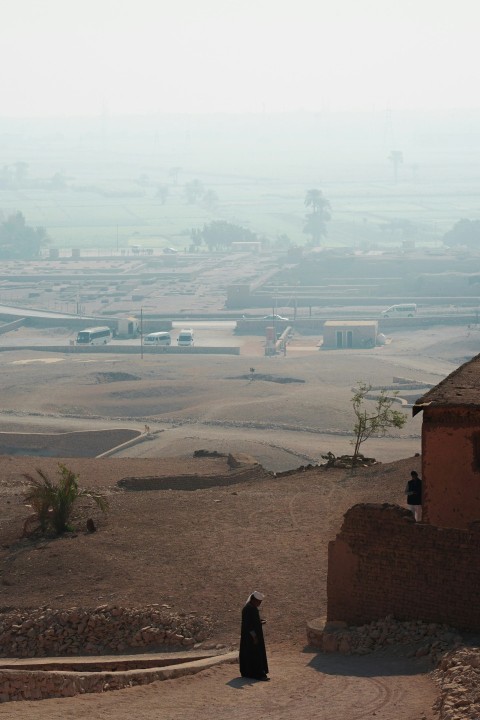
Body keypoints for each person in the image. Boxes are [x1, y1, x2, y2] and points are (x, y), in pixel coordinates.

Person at [239, 590, 269, 681]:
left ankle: (251, 673)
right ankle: (257, 674)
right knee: (255, 654)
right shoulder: (249, 609)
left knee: (253, 654)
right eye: (259, 602)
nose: (259, 603)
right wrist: (254, 636)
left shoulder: (251, 607)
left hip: (252, 637)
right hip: (251, 638)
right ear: (253, 600)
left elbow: (253, 621)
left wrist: (259, 622)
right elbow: (248, 625)